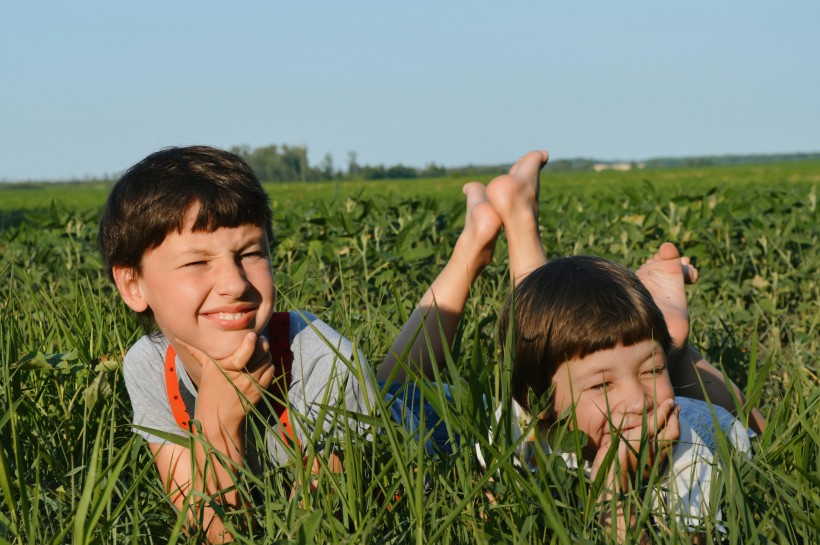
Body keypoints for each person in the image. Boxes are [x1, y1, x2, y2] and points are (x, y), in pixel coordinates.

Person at [98, 145, 501, 542]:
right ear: (132, 285)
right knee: (390, 383)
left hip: (455, 429)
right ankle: (473, 246)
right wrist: (215, 420)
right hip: (376, 399)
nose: (235, 283)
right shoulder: (148, 366)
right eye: (197, 262)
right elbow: (203, 526)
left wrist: (218, 428)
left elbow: (313, 532)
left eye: (250, 253)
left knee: (544, 361)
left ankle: (508, 238)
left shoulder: (322, 362)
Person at [479, 151, 761, 540]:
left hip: (708, 422)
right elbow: (492, 506)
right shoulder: (521, 430)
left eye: (651, 371)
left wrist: (615, 488)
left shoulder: (686, 453)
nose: (637, 400)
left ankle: (674, 349)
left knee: (753, 424)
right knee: (542, 332)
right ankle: (669, 345)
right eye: (601, 385)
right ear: (540, 406)